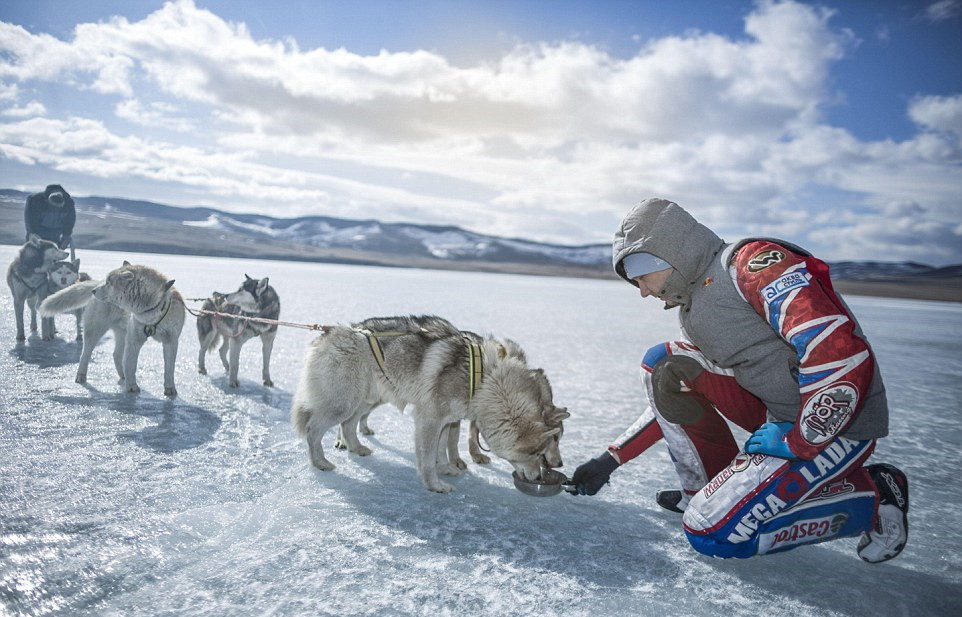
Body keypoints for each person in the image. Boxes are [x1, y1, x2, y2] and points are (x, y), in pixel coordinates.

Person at [570, 197, 909, 563]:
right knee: (665, 365)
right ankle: (705, 491)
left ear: (664, 253)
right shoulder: (697, 302)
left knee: (712, 534)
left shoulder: (752, 263)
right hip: (776, 418)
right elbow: (671, 395)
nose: (644, 292)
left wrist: (801, 438)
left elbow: (835, 347)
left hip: (838, 424)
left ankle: (873, 495)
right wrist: (610, 459)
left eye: (640, 276)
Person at [25, 184, 76, 253]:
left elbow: (70, 221)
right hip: (38, 235)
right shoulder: (35, 200)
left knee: (53, 259)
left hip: (56, 237)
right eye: (53, 207)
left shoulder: (69, 204)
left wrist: (66, 236)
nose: (55, 209)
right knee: (34, 259)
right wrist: (34, 235)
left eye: (58, 208)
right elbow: (31, 221)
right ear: (47, 201)